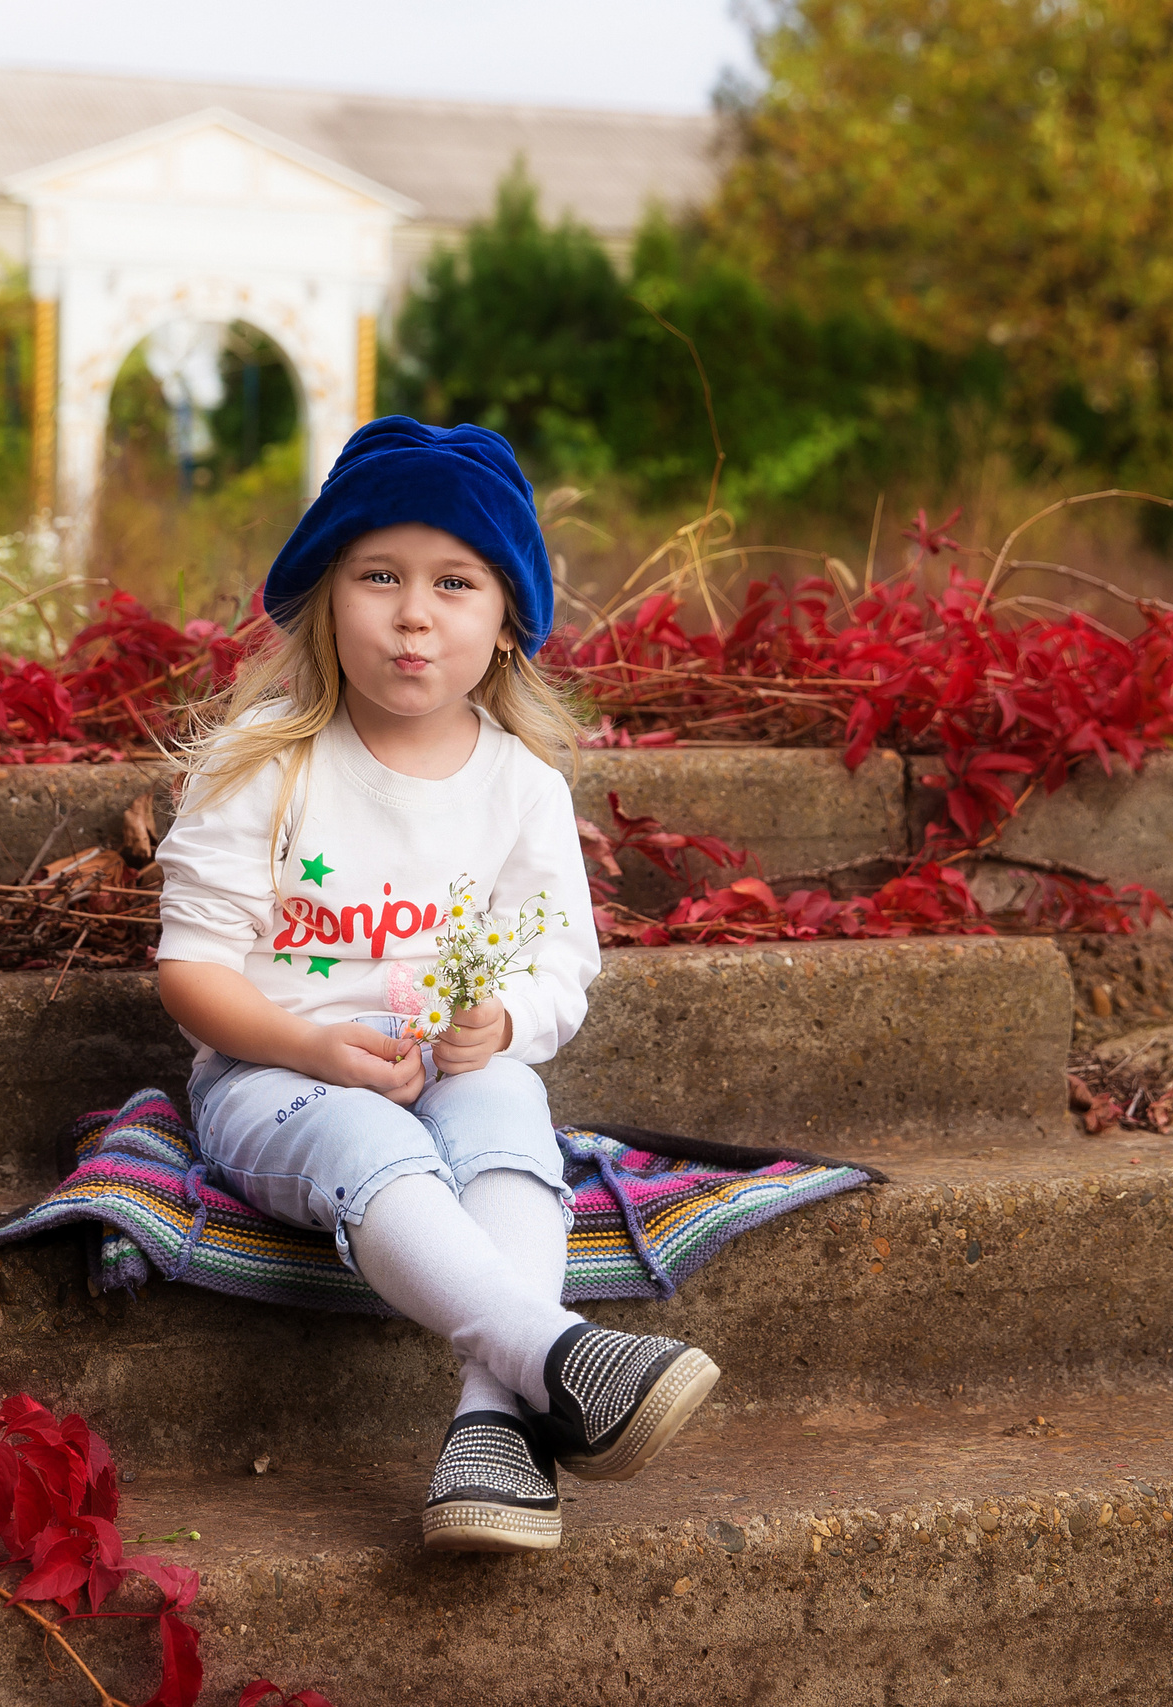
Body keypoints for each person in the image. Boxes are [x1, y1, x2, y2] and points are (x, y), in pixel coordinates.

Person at [153, 417, 721, 1554]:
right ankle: (555, 1354)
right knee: (379, 1148)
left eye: (454, 582)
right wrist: (310, 1050)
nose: (414, 613)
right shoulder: (265, 763)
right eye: (379, 576)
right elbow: (191, 972)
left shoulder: (518, 785)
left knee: (509, 1112)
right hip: (278, 1080)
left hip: (449, 1068)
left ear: (507, 623)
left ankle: (491, 1433)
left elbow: (560, 957)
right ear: (324, 599)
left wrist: (502, 1018)